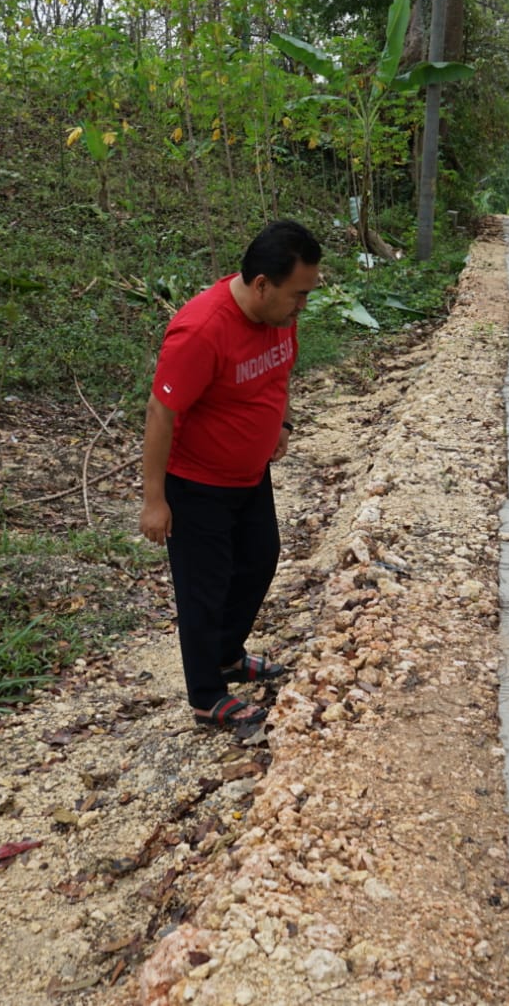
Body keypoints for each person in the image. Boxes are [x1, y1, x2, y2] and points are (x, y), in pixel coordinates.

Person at [139, 219, 322, 730]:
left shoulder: (280, 315)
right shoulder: (202, 330)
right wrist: (155, 499)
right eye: (297, 294)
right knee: (204, 587)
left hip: (249, 474)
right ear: (262, 283)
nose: (301, 306)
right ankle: (207, 695)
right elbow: (160, 412)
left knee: (260, 560)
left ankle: (227, 655)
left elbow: (281, 370)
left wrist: (282, 421)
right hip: (198, 484)